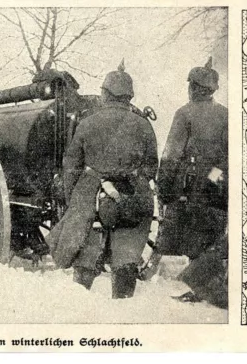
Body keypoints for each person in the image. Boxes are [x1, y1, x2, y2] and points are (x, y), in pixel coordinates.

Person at [46, 60, 158, 299]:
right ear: (129, 96)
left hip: (90, 194)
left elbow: (71, 167)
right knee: (126, 256)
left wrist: (73, 200)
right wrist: (133, 181)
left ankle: (80, 305)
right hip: (131, 196)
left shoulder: (87, 124)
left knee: (85, 254)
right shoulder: (144, 126)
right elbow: (151, 166)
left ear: (105, 94)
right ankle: (123, 302)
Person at [155, 57, 228, 309]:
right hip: (218, 188)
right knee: (212, 238)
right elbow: (229, 157)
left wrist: (163, 189)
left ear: (195, 87)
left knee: (191, 237)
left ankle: (205, 289)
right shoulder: (226, 115)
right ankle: (207, 286)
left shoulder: (184, 113)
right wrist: (215, 178)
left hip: (189, 189)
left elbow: (171, 156)